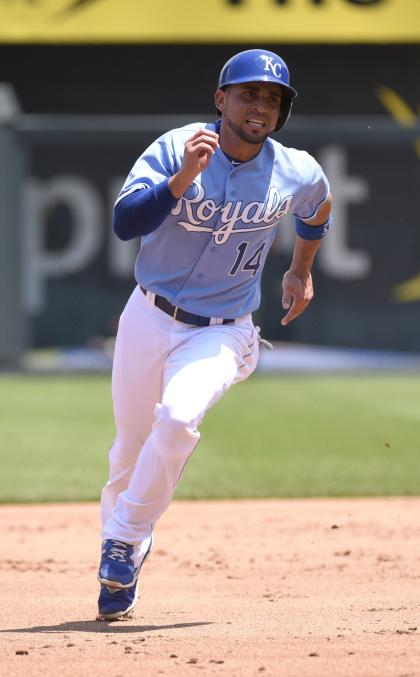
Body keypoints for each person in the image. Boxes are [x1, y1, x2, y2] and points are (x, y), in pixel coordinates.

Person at [96, 48, 332, 621]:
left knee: (176, 419)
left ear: (280, 113)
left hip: (224, 331)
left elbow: (317, 207)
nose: (260, 106)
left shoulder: (295, 168)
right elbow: (125, 223)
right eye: (249, 93)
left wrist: (300, 269)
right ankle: (123, 559)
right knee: (129, 450)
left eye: (272, 99)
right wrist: (181, 181)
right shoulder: (178, 146)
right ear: (221, 99)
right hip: (148, 316)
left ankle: (123, 539)